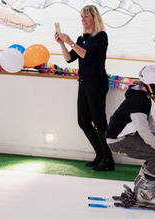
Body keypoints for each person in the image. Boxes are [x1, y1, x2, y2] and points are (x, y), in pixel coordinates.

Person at [54, 5, 114, 171]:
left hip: (97, 81)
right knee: (83, 121)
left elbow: (88, 55)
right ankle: (100, 154)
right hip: (84, 81)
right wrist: (62, 44)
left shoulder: (101, 36)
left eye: (86, 17)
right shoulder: (82, 38)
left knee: (99, 121)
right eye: (81, 17)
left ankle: (108, 158)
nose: (83, 20)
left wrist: (70, 41)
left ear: (94, 18)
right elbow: (69, 59)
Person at [105, 65, 155, 207]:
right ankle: (145, 193)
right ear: (153, 86)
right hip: (119, 141)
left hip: (124, 137)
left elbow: (149, 118)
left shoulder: (142, 96)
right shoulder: (139, 101)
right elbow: (142, 128)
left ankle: (141, 188)